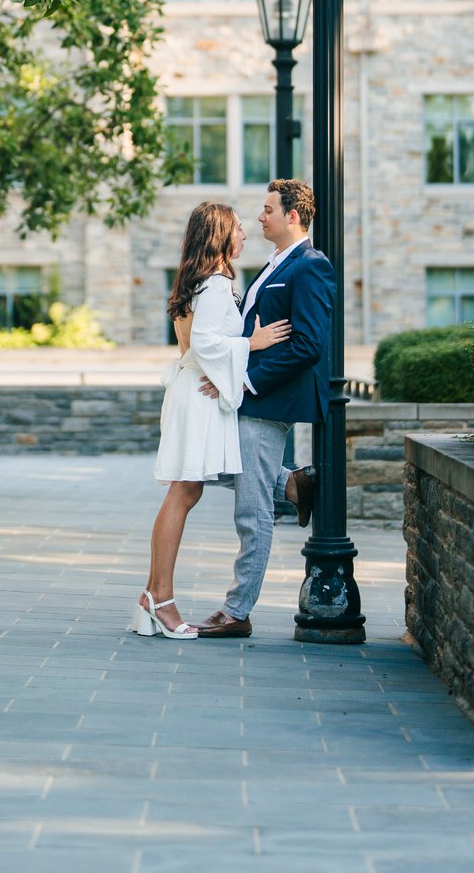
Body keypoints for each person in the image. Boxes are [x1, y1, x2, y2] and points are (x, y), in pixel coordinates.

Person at [131, 202, 290, 640]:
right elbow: (205, 343)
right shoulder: (217, 283)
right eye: (238, 229)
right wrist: (252, 343)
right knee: (183, 492)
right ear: (220, 234)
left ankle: (152, 597)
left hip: (190, 389)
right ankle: (160, 599)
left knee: (184, 491)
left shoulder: (195, 279)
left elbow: (196, 343)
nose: (245, 235)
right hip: (198, 395)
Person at [196, 178, 335, 639]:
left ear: (292, 216)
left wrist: (247, 379)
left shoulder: (311, 266)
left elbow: (309, 345)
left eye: (268, 209)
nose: (260, 216)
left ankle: (237, 611)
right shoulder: (275, 263)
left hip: (267, 399)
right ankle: (292, 482)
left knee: (251, 513)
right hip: (246, 396)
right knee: (216, 466)